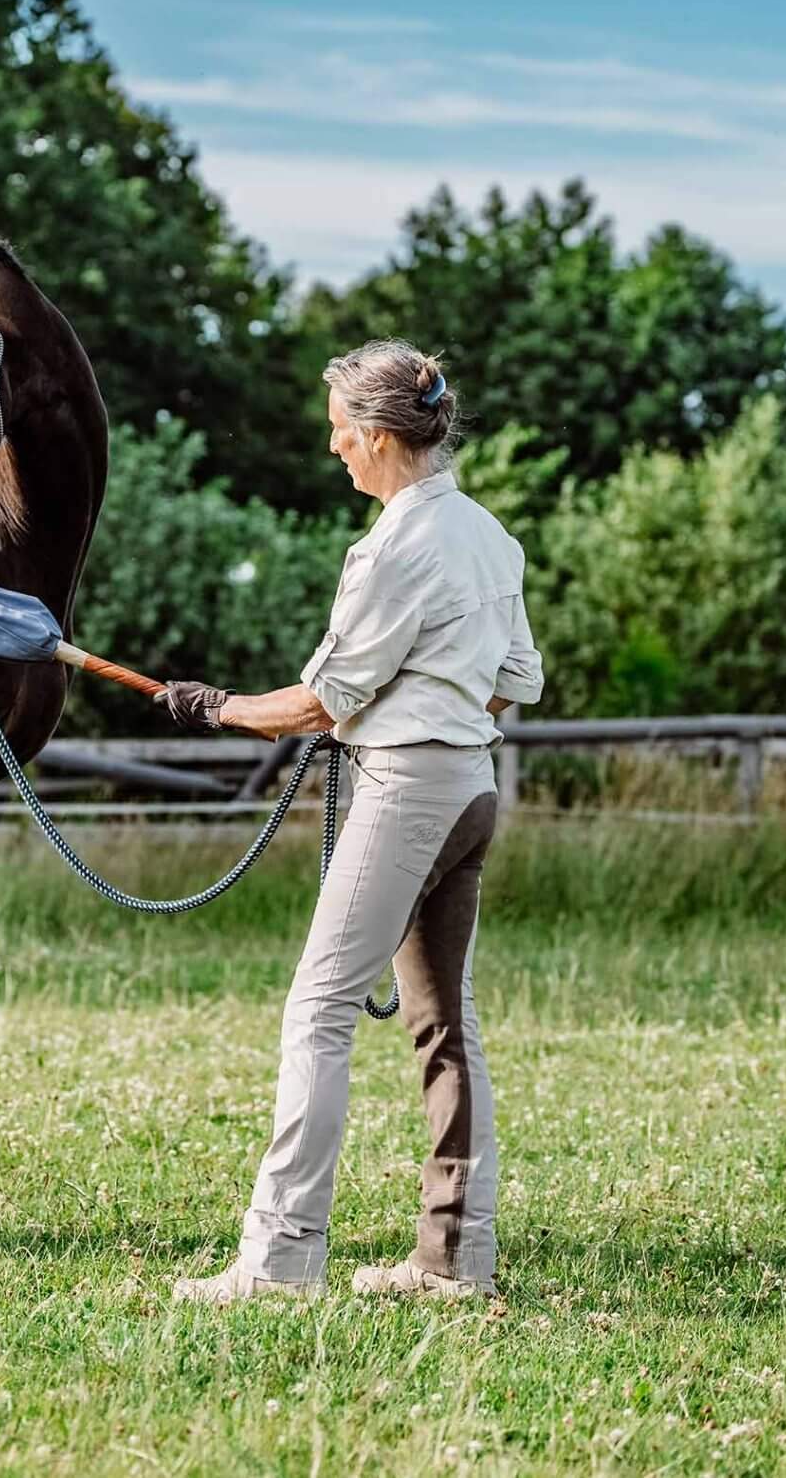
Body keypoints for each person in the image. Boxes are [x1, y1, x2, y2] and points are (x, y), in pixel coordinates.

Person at [155, 338, 543, 1304]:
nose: (334, 450)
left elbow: (326, 697)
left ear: (377, 436)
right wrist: (434, 718)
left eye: (339, 434)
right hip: (470, 792)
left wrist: (221, 706)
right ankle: (455, 1259)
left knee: (321, 1010)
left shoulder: (392, 547)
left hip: (408, 794)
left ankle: (281, 1259)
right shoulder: (491, 536)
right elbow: (517, 682)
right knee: (446, 1023)